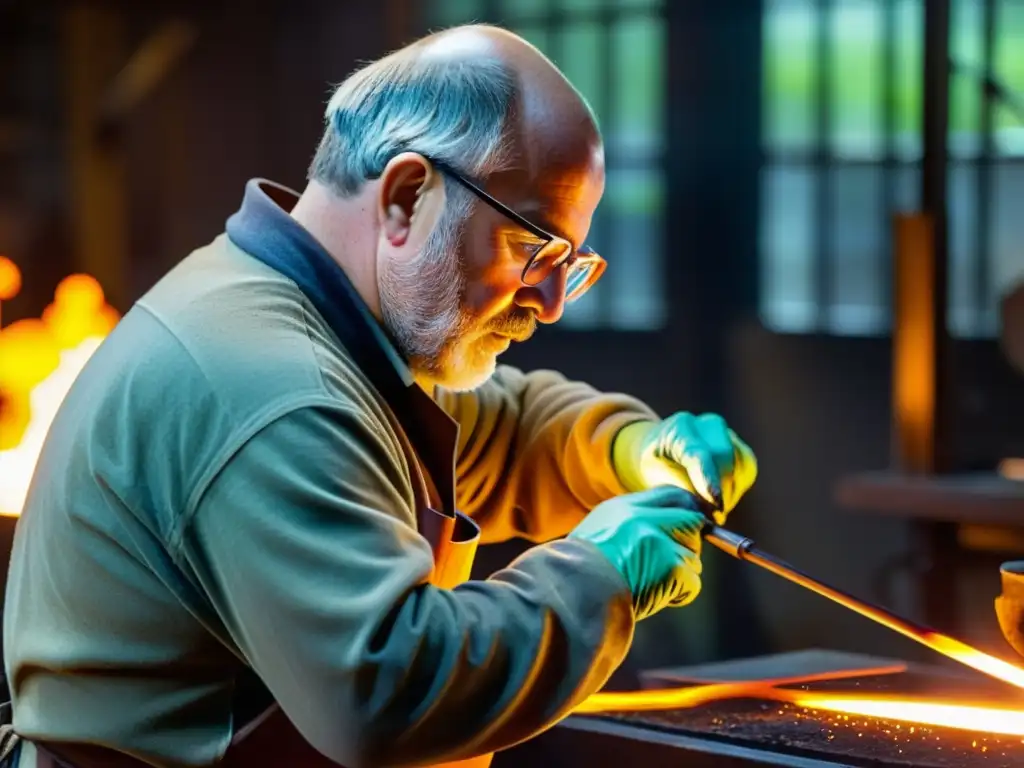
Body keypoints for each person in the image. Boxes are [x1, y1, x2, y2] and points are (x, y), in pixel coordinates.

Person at [1, 24, 757, 768]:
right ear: (405, 197)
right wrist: (604, 576)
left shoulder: (323, 324)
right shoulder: (277, 387)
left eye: (573, 263)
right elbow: (389, 687)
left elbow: (504, 427)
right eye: (535, 249)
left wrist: (631, 449)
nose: (553, 300)